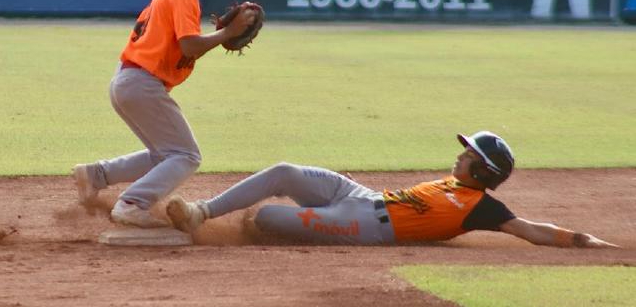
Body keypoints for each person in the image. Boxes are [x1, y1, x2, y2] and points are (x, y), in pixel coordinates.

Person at [72, 0, 258, 228]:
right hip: (141, 83)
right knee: (186, 155)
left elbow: (187, 46)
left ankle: (97, 175)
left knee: (166, 156)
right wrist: (228, 33)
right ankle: (133, 203)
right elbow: (189, 46)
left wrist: (223, 35)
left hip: (131, 81)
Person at [166, 131, 619, 248]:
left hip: (365, 227)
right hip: (360, 196)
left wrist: (579, 239)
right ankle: (201, 212)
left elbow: (529, 230)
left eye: (468, 155)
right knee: (284, 171)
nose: (460, 155)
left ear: (481, 172)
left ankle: (227, 227)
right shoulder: (454, 183)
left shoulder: (480, 207)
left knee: (264, 218)